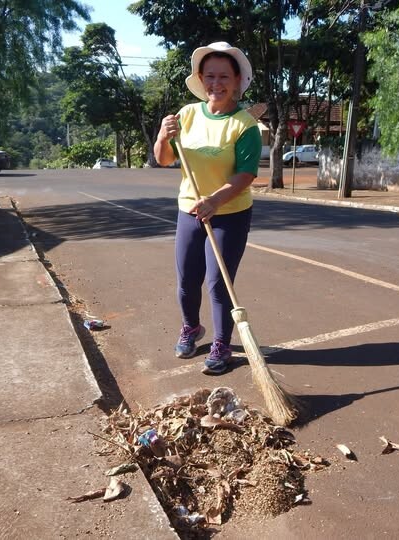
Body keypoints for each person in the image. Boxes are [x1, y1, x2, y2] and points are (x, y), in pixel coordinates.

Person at [154, 42, 262, 375]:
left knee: (218, 282)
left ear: (237, 80)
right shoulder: (186, 115)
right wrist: (162, 135)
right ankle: (191, 328)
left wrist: (216, 200)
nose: (216, 84)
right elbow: (164, 158)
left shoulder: (244, 125)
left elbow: (246, 174)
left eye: (224, 77)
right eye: (210, 76)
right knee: (187, 279)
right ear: (201, 79)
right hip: (190, 210)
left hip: (229, 213)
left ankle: (222, 344)